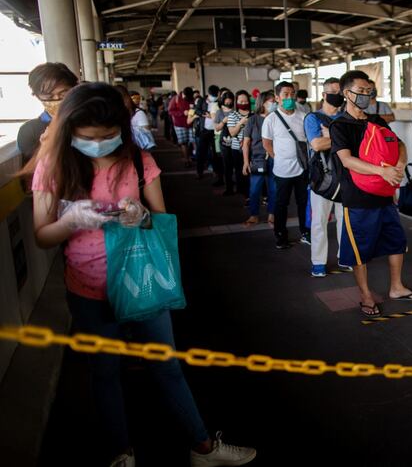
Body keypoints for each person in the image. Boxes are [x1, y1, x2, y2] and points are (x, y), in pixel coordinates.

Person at [23, 82, 256, 467]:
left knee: (166, 366)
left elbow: (162, 219)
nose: (98, 144)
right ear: (70, 131)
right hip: (87, 286)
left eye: (107, 136)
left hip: (141, 277)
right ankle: (121, 453)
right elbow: (42, 235)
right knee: (104, 373)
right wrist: (72, 220)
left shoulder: (138, 160)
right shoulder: (55, 163)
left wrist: (143, 217)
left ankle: (202, 447)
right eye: (87, 137)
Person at [330, 70, 412, 317]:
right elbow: (347, 160)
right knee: (359, 249)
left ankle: (396, 287)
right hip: (358, 198)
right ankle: (365, 294)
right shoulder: (339, 125)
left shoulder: (377, 121)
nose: (365, 96)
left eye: (368, 92)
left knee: (396, 241)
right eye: (360, 91)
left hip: (384, 196)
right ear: (345, 93)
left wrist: (401, 164)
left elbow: (399, 144)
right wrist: (381, 172)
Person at [304, 77, 352, 277]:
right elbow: (316, 145)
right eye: (333, 92)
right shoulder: (313, 118)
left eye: (339, 93)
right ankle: (318, 262)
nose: (337, 96)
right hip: (322, 178)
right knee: (319, 221)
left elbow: (355, 143)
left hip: (345, 176)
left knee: (345, 221)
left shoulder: (346, 117)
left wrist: (329, 137)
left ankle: (344, 257)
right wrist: (339, 138)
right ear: (324, 95)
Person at [262, 81, 310, 249]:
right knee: (281, 204)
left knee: (303, 202)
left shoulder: (303, 116)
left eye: (292, 94)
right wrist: (279, 158)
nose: (289, 98)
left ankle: (306, 231)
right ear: (277, 98)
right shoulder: (271, 119)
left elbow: (309, 141)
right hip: (282, 171)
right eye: (285, 95)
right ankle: (280, 235)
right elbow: (267, 143)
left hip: (302, 169)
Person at [17, 62, 79, 162]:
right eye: (49, 96)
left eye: (63, 94)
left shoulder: (89, 120)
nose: (57, 99)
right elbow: (35, 168)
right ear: (37, 96)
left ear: (75, 88)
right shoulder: (29, 131)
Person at [243, 90, 276, 225]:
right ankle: (254, 215)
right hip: (257, 160)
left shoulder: (276, 118)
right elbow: (246, 143)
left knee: (273, 189)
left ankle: (272, 214)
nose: (274, 103)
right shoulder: (252, 120)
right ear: (262, 102)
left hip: (274, 158)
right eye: (271, 101)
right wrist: (245, 162)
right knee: (254, 189)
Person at [194, 85, 223, 182]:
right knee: (201, 152)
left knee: (215, 153)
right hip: (204, 130)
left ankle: (216, 171)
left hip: (215, 131)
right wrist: (205, 114)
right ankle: (199, 171)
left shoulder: (219, 102)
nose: (215, 97)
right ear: (209, 94)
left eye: (216, 95)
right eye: (213, 95)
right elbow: (196, 111)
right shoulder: (202, 101)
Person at [226, 90, 252, 197]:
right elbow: (232, 133)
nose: (243, 103)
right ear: (236, 102)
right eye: (241, 101)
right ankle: (245, 194)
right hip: (237, 149)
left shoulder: (253, 114)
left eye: (245, 101)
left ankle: (254, 193)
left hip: (252, 148)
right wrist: (241, 123)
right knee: (241, 171)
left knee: (253, 171)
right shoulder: (232, 115)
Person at [215, 91, 238, 196]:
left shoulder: (236, 111)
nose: (228, 102)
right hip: (224, 141)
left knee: (238, 164)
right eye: (226, 101)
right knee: (227, 166)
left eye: (230, 101)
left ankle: (240, 187)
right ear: (223, 100)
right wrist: (223, 121)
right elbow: (217, 128)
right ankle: (229, 188)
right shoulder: (219, 112)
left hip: (236, 139)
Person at [168, 87, 193, 168]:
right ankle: (186, 160)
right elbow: (170, 111)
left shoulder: (191, 98)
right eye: (186, 97)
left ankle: (190, 156)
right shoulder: (175, 99)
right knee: (183, 142)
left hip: (191, 123)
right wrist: (182, 113)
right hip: (179, 124)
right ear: (183, 94)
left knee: (191, 141)